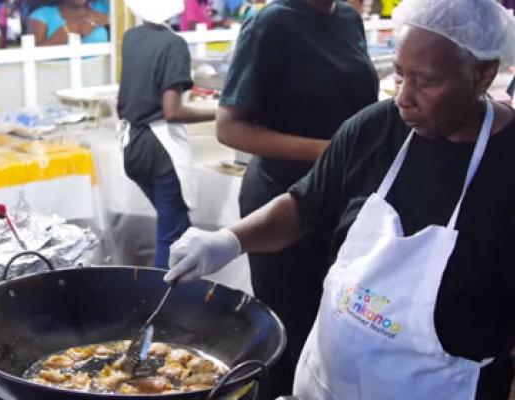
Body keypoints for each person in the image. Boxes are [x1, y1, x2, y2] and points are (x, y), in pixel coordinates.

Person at [165, 0, 515, 398]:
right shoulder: (376, 128)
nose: (404, 97)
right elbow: (302, 206)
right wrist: (228, 240)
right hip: (328, 382)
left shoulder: (505, 166)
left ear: (483, 73)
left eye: (427, 81)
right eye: (399, 75)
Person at [214, 0, 379, 396]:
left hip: (343, 197)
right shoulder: (272, 23)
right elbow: (230, 129)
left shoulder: (348, 19)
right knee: (290, 332)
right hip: (282, 197)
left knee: (340, 323)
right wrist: (332, 151)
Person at [117, 0, 216, 269]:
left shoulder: (131, 37)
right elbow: (172, 112)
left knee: (180, 228)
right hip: (160, 149)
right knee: (172, 238)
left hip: (132, 146)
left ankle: (180, 295)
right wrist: (218, 112)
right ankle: (158, 302)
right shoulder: (174, 45)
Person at [27, 0, 109, 46]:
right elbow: (33, 59)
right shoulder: (41, 15)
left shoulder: (104, 7)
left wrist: (110, 20)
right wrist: (68, 30)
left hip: (101, 75)